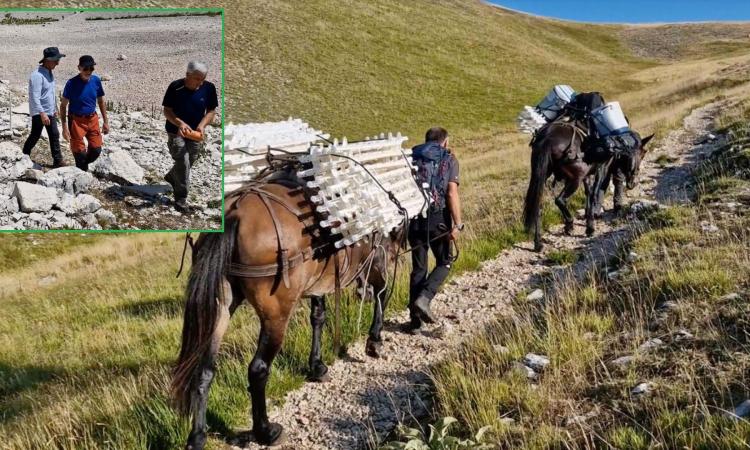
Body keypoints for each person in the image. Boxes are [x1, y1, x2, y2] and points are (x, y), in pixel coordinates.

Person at [405, 127, 463, 333]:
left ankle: (414, 323)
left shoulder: (413, 157)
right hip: (438, 219)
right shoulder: (449, 159)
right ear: (445, 142)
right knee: (445, 262)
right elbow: (451, 193)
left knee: (419, 268)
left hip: (414, 219)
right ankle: (425, 298)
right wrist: (457, 223)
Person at [162, 61, 218, 211]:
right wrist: (179, 123)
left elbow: (211, 111)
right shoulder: (175, 87)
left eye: (203, 79)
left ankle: (172, 176)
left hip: (195, 132)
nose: (200, 83)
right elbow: (167, 110)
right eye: (197, 79)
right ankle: (181, 199)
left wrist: (202, 125)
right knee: (183, 161)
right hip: (176, 131)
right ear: (188, 75)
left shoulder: (208, 88)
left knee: (191, 158)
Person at [60, 55, 109, 172]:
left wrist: (106, 122)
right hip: (76, 120)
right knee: (79, 152)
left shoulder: (96, 80)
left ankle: (82, 165)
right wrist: (64, 127)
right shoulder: (71, 83)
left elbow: (101, 101)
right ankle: (81, 173)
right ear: (79, 68)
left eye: (91, 68)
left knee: (96, 150)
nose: (88, 71)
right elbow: (63, 106)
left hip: (92, 119)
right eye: (85, 69)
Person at [22, 47, 66, 168]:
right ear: (47, 60)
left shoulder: (49, 73)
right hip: (40, 112)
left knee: (54, 134)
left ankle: (58, 161)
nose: (58, 63)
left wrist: (55, 108)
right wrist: (42, 113)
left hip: (49, 111)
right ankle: (24, 154)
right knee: (35, 135)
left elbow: (51, 93)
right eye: (56, 60)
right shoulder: (37, 76)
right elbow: (35, 97)